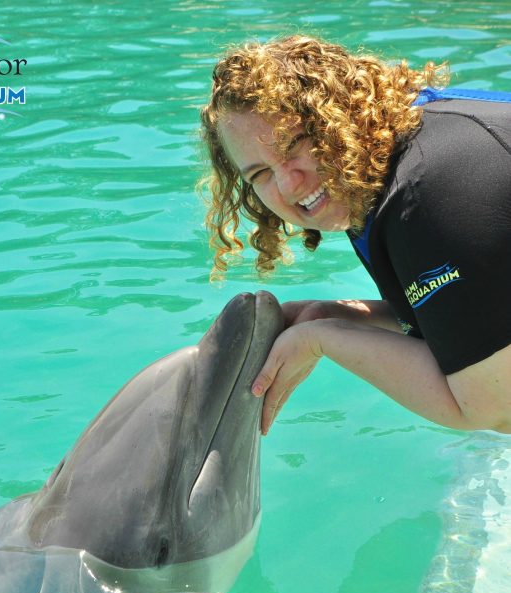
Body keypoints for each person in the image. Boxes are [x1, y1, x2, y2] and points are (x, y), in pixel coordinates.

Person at [198, 35, 511, 435]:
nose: (290, 185)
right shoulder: (390, 160)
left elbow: (494, 408)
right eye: (260, 174)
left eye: (296, 145)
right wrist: (343, 316)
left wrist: (324, 339)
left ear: (337, 118)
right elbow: (482, 312)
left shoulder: (427, 192)